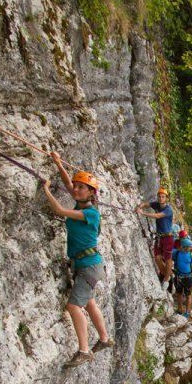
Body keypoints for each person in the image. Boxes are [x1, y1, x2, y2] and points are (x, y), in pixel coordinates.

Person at [42, 151, 114, 369]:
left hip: (88, 266)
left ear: (92, 193)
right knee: (89, 302)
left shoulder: (91, 213)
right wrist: (57, 163)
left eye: (82, 187)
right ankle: (104, 338)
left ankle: (84, 351)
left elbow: (58, 209)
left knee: (74, 307)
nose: (77, 189)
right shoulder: (81, 204)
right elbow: (68, 185)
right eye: (77, 186)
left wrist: (45, 188)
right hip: (89, 265)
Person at [135, 187, 174, 287]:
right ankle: (167, 275)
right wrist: (139, 206)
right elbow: (146, 203)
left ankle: (166, 279)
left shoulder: (168, 209)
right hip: (159, 237)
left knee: (168, 259)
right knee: (157, 258)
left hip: (168, 238)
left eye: (163, 197)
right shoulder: (156, 205)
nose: (161, 198)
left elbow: (158, 216)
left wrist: (143, 213)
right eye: (159, 196)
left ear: (166, 198)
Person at [171, 236, 192, 317]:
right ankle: (180, 309)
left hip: (187, 278)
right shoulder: (177, 252)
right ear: (184, 247)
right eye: (189, 247)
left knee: (188, 295)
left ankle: (187, 312)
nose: (190, 248)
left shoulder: (190, 255)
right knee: (179, 294)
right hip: (179, 276)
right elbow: (168, 252)